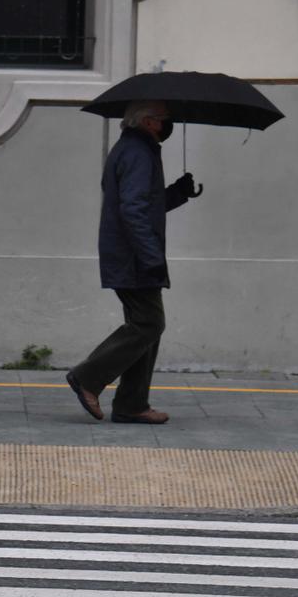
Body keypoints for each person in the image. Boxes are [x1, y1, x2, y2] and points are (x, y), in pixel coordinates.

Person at [66, 100, 201, 425]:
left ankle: (132, 404)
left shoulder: (135, 149)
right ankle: (88, 377)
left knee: (147, 327)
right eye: (165, 119)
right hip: (134, 256)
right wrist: (151, 257)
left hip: (131, 253)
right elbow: (133, 210)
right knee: (148, 324)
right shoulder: (138, 153)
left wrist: (177, 193)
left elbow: (144, 204)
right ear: (150, 121)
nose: (168, 125)